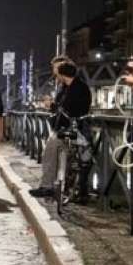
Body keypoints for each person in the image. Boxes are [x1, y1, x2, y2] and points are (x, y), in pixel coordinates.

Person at [29, 61, 92, 202]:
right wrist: (53, 106)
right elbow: (59, 108)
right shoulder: (65, 88)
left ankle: (48, 187)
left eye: (58, 74)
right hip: (64, 128)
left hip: (76, 130)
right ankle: (61, 186)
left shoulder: (79, 89)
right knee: (55, 148)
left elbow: (75, 110)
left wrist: (54, 106)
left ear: (63, 75)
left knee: (51, 148)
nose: (56, 76)